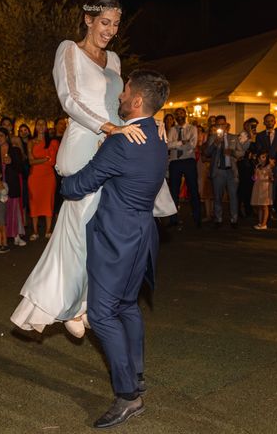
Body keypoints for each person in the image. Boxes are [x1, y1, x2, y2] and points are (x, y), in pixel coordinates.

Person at [11, 0, 172, 338]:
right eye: (104, 22)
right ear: (88, 19)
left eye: (115, 24)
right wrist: (108, 128)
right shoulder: (69, 50)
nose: (110, 30)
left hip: (113, 148)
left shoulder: (114, 60)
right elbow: (69, 99)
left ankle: (85, 302)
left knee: (100, 232)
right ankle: (68, 304)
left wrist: (150, 119)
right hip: (86, 145)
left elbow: (124, 102)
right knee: (77, 229)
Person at [60, 69, 169, 429]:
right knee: (126, 306)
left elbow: (80, 185)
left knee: (104, 314)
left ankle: (128, 396)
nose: (119, 97)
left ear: (136, 101)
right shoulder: (157, 136)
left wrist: (63, 175)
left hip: (116, 237)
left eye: (124, 92)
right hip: (143, 234)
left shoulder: (123, 142)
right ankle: (136, 375)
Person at [205, 116, 244, 228]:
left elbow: (241, 152)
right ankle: (218, 219)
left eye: (222, 124)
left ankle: (234, 219)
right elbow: (207, 153)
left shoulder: (233, 137)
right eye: (218, 125)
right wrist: (216, 143)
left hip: (231, 171)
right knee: (217, 196)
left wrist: (232, 152)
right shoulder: (212, 138)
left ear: (226, 125)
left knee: (233, 196)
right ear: (216, 126)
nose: (221, 126)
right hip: (218, 171)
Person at [0, 127, 26, 246]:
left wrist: (12, 162)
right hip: (0, 186)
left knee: (13, 210)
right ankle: (0, 238)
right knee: (0, 212)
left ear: (6, 137)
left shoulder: (15, 150)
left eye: (1, 135)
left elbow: (21, 168)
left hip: (12, 184)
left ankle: (16, 235)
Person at [166, 107, 201, 227]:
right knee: (174, 191)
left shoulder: (192, 128)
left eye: (181, 113)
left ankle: (197, 217)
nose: (179, 116)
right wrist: (181, 143)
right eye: (177, 114)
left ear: (186, 115)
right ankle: (173, 218)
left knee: (193, 190)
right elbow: (167, 145)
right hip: (175, 162)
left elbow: (192, 145)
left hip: (188, 161)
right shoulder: (172, 130)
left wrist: (175, 145)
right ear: (175, 116)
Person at [27, 118, 59, 240]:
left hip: (48, 177)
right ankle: (34, 231)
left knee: (48, 203)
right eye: (38, 124)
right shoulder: (31, 142)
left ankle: (48, 230)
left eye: (43, 124)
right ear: (35, 127)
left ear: (46, 127)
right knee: (34, 203)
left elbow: (53, 162)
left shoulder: (52, 142)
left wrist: (40, 160)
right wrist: (45, 159)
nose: (40, 126)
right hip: (34, 177)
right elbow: (31, 161)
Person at [250, 150, 274, 230]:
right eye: (260, 157)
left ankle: (264, 223)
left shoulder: (268, 167)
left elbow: (271, 178)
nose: (261, 159)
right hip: (258, 186)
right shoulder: (257, 167)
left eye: (263, 157)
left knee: (264, 206)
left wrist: (271, 177)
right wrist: (254, 174)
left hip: (265, 188)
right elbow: (254, 179)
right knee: (260, 206)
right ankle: (260, 223)